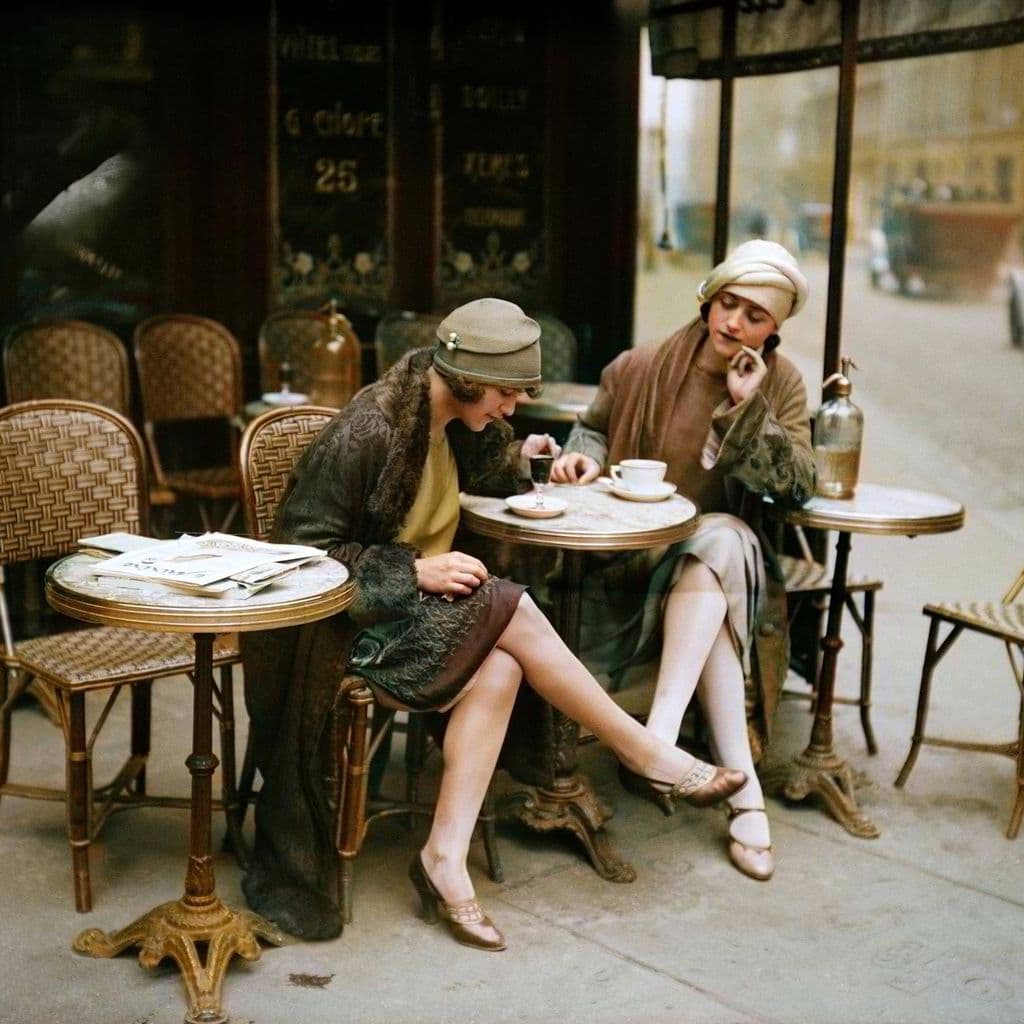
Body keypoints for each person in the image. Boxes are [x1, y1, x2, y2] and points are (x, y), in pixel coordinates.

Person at [240, 297, 747, 949]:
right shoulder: (370, 427)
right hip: (349, 629)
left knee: (505, 659)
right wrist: (412, 572)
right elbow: (302, 554)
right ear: (469, 377)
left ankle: (443, 860)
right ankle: (643, 749)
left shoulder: (447, 414)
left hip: (412, 617)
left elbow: (485, 465)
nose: (511, 409)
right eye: (506, 396)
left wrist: (522, 456)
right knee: (509, 603)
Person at [551, 239, 815, 882]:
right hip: (632, 566)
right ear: (708, 299)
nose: (736, 323)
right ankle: (744, 798)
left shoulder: (780, 384)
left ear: (774, 328)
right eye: (729, 304)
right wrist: (581, 455)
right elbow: (591, 430)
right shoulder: (640, 366)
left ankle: (658, 736)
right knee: (713, 600)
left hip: (720, 564)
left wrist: (749, 407)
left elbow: (800, 485)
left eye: (756, 316)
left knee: (719, 538)